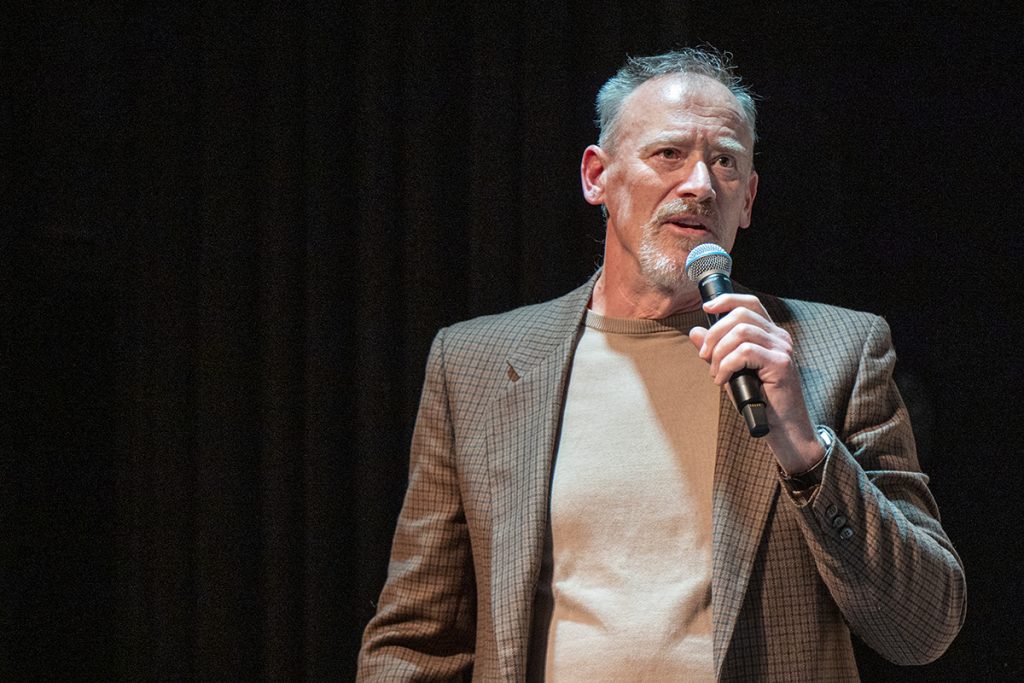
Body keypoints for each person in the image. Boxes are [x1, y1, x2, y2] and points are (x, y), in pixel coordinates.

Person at [357, 48, 966, 681]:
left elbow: (923, 627)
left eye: (725, 161)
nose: (700, 184)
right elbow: (418, 639)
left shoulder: (840, 350)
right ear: (597, 177)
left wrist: (806, 451)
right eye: (668, 154)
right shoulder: (477, 364)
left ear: (749, 198)